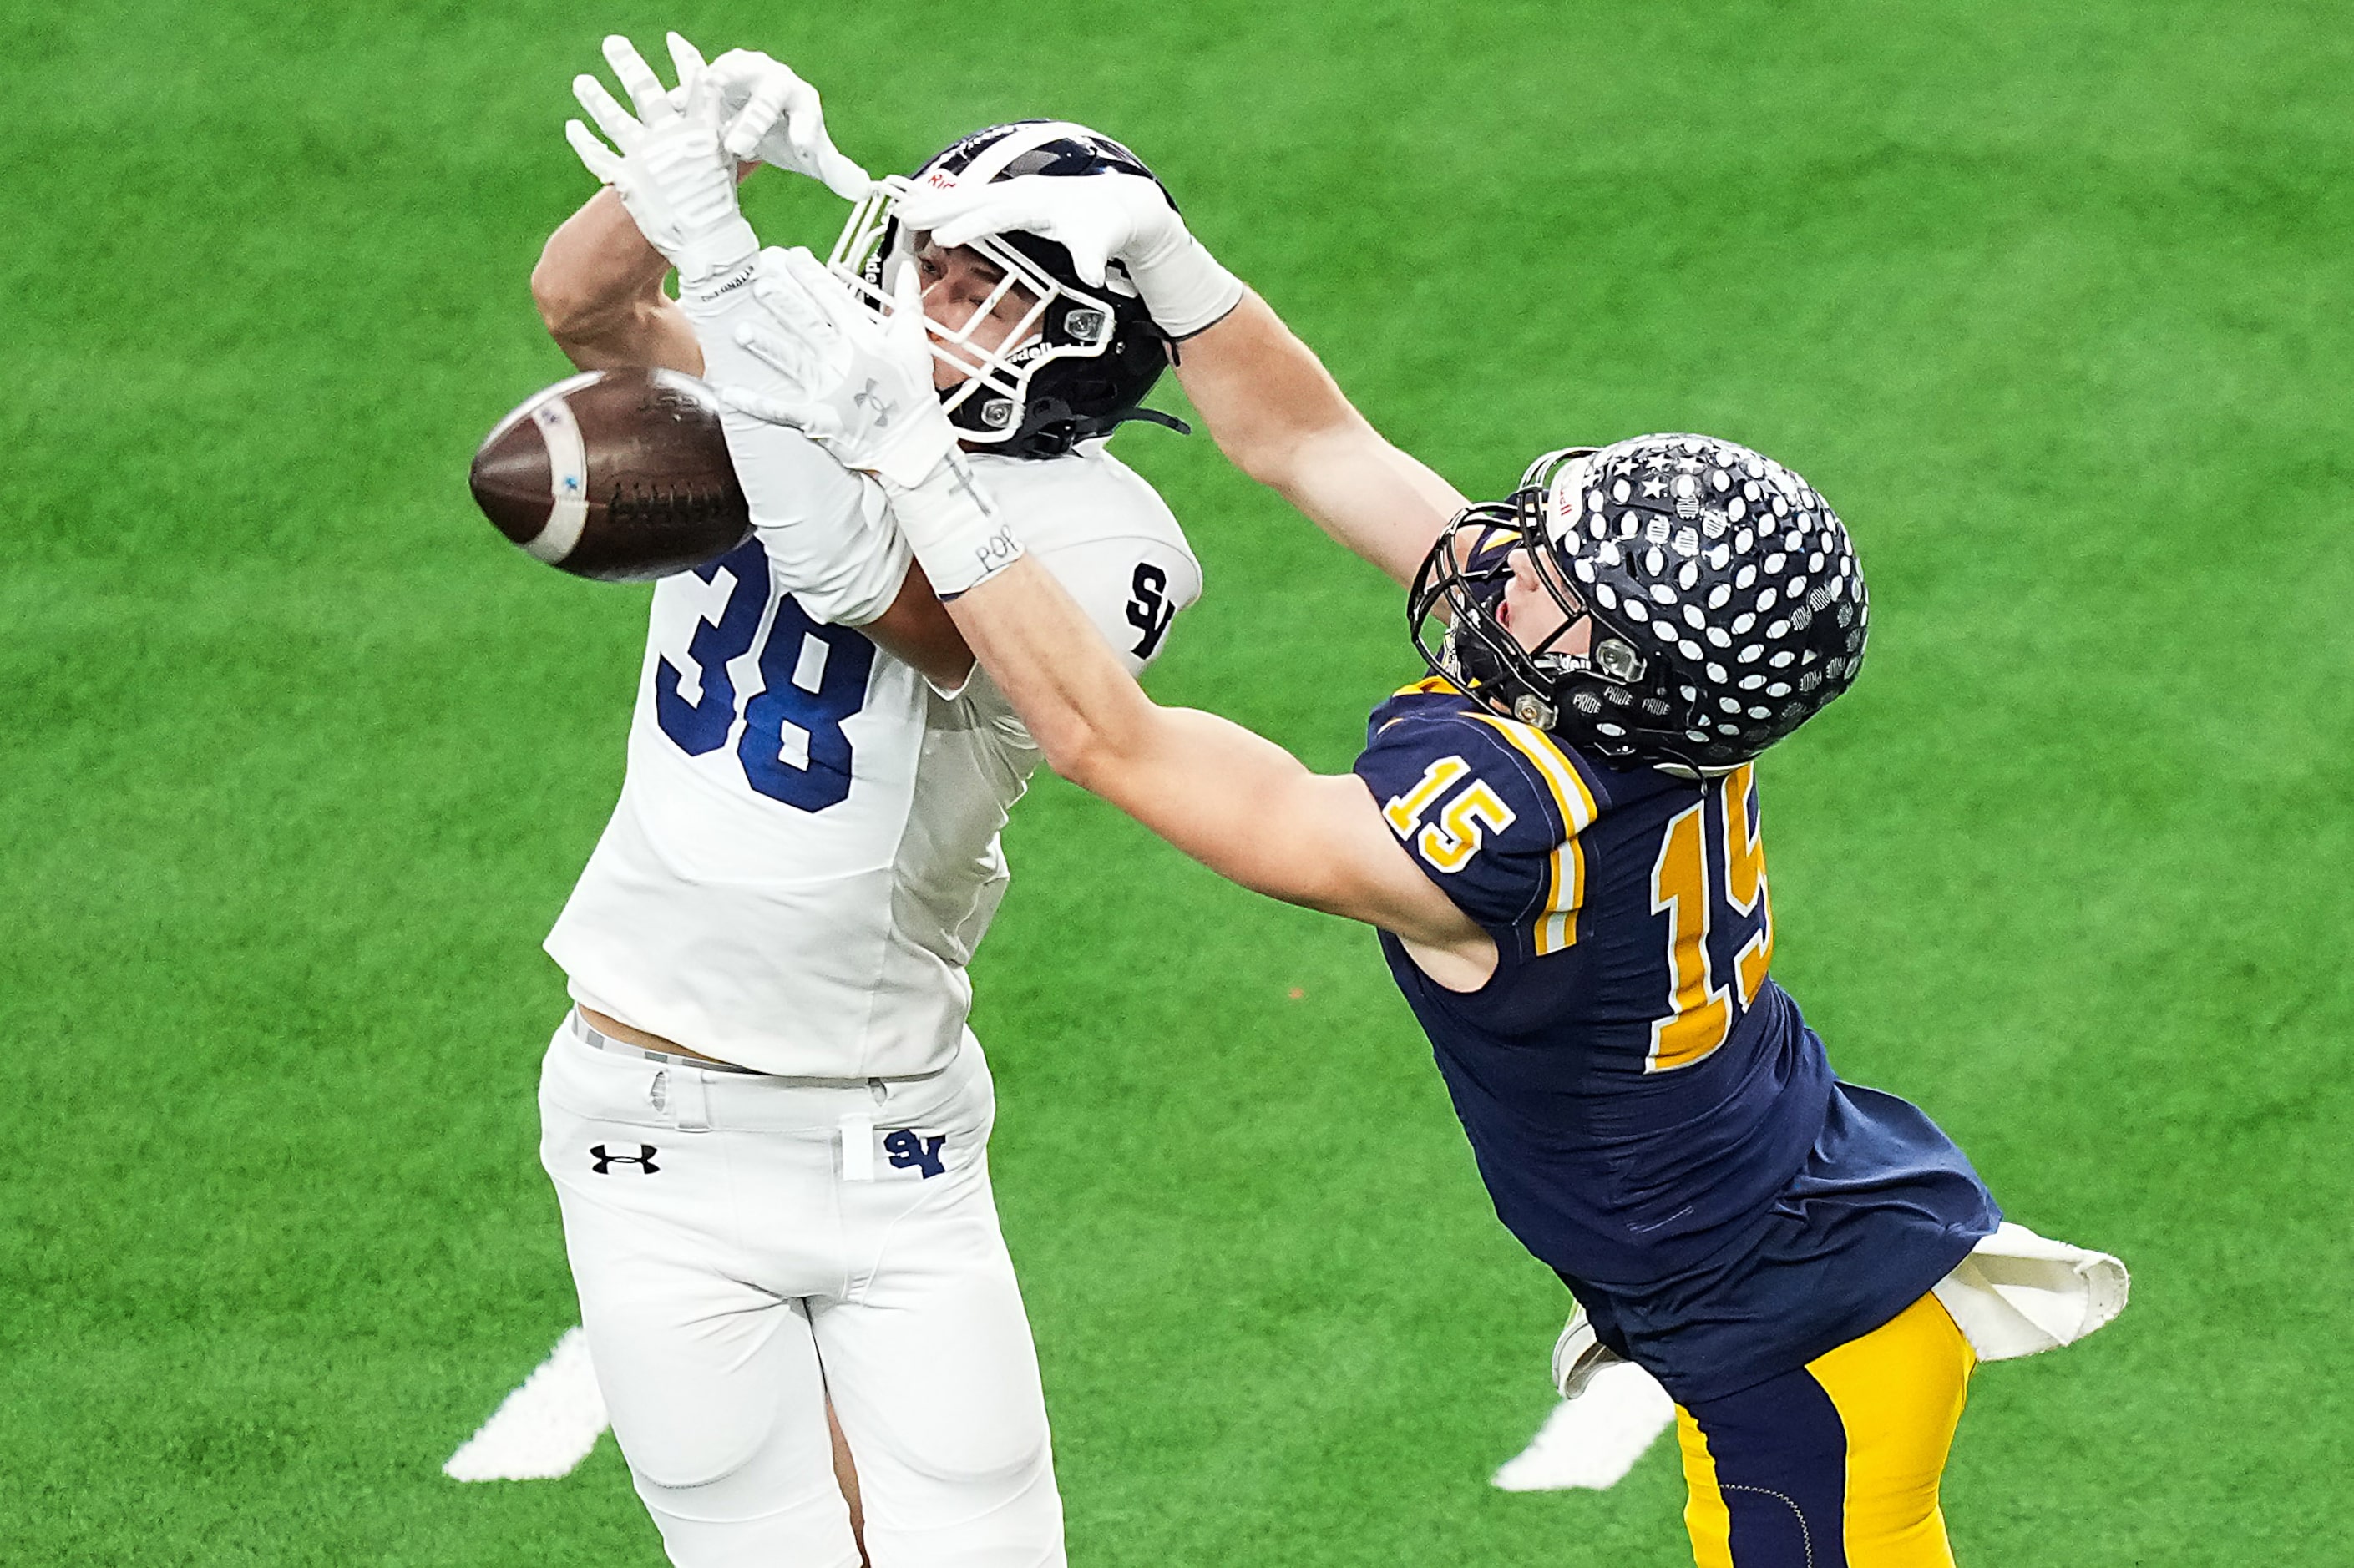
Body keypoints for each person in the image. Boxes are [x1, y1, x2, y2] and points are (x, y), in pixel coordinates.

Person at [708, 160, 2129, 1567]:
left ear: (1627, 676)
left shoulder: (1511, 821)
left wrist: (922, 475)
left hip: (1801, 1348)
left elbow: (1111, 740)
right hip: (1804, 1243)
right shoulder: (1648, 704)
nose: (1508, 565)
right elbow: (1317, 447)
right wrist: (1168, 258)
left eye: (1563, 590)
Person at [526, 34, 1216, 1567]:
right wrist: (690, 179)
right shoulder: (814, 344)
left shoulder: (1109, 543)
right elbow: (582, 309)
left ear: (1093, 349)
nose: (933, 306)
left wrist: (728, 278)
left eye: (994, 293)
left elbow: (880, 591)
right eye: (936, 264)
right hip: (647, 1109)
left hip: (889, 1127)